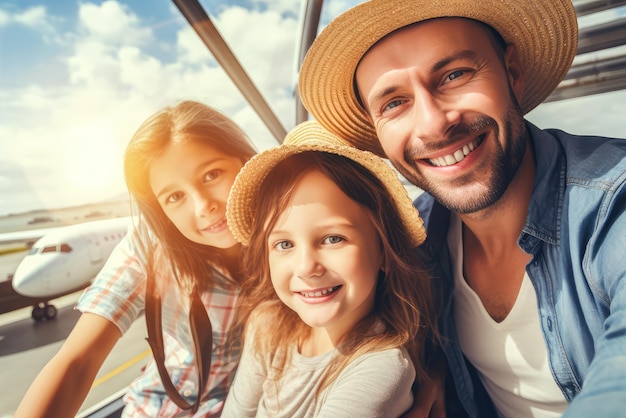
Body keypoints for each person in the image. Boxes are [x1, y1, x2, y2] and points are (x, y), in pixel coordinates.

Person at [298, 0, 626, 417]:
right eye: (394, 103)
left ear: (512, 73)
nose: (434, 123)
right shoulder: (415, 244)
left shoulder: (612, 201)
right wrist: (427, 365)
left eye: (454, 75)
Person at [14, 100, 257, 418]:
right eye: (174, 196)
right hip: (157, 408)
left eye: (212, 174)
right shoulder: (152, 247)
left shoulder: (294, 234)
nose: (202, 206)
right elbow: (77, 362)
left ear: (245, 161)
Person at [221, 120, 440, 417]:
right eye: (284, 244)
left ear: (384, 252)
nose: (306, 267)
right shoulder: (266, 325)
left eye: (333, 238)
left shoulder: (380, 367)